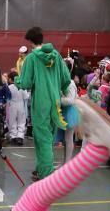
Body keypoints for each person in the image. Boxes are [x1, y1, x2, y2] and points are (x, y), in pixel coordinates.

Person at [16, 26, 71, 181]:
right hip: (55, 101)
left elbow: (25, 82)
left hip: (40, 103)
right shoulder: (57, 56)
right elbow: (66, 79)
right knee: (48, 138)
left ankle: (46, 175)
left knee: (43, 139)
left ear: (30, 41)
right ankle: (42, 169)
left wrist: (16, 80)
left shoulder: (31, 59)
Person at [6, 72, 29, 145]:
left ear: (10, 79)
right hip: (21, 105)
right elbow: (26, 97)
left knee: (12, 121)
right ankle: (20, 136)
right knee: (21, 121)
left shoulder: (9, 87)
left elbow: (7, 97)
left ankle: (13, 136)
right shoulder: (21, 86)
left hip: (12, 105)